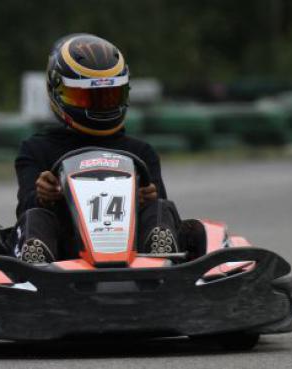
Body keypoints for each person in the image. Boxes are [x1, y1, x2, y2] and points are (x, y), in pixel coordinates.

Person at [12, 33, 181, 263]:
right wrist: (44, 197)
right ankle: (36, 262)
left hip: (134, 252)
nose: (101, 107)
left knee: (161, 208)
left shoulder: (141, 153)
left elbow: (157, 208)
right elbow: (25, 210)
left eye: (109, 96)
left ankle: (161, 257)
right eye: (86, 97)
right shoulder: (37, 150)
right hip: (63, 254)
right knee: (34, 217)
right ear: (57, 91)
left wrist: (146, 199)